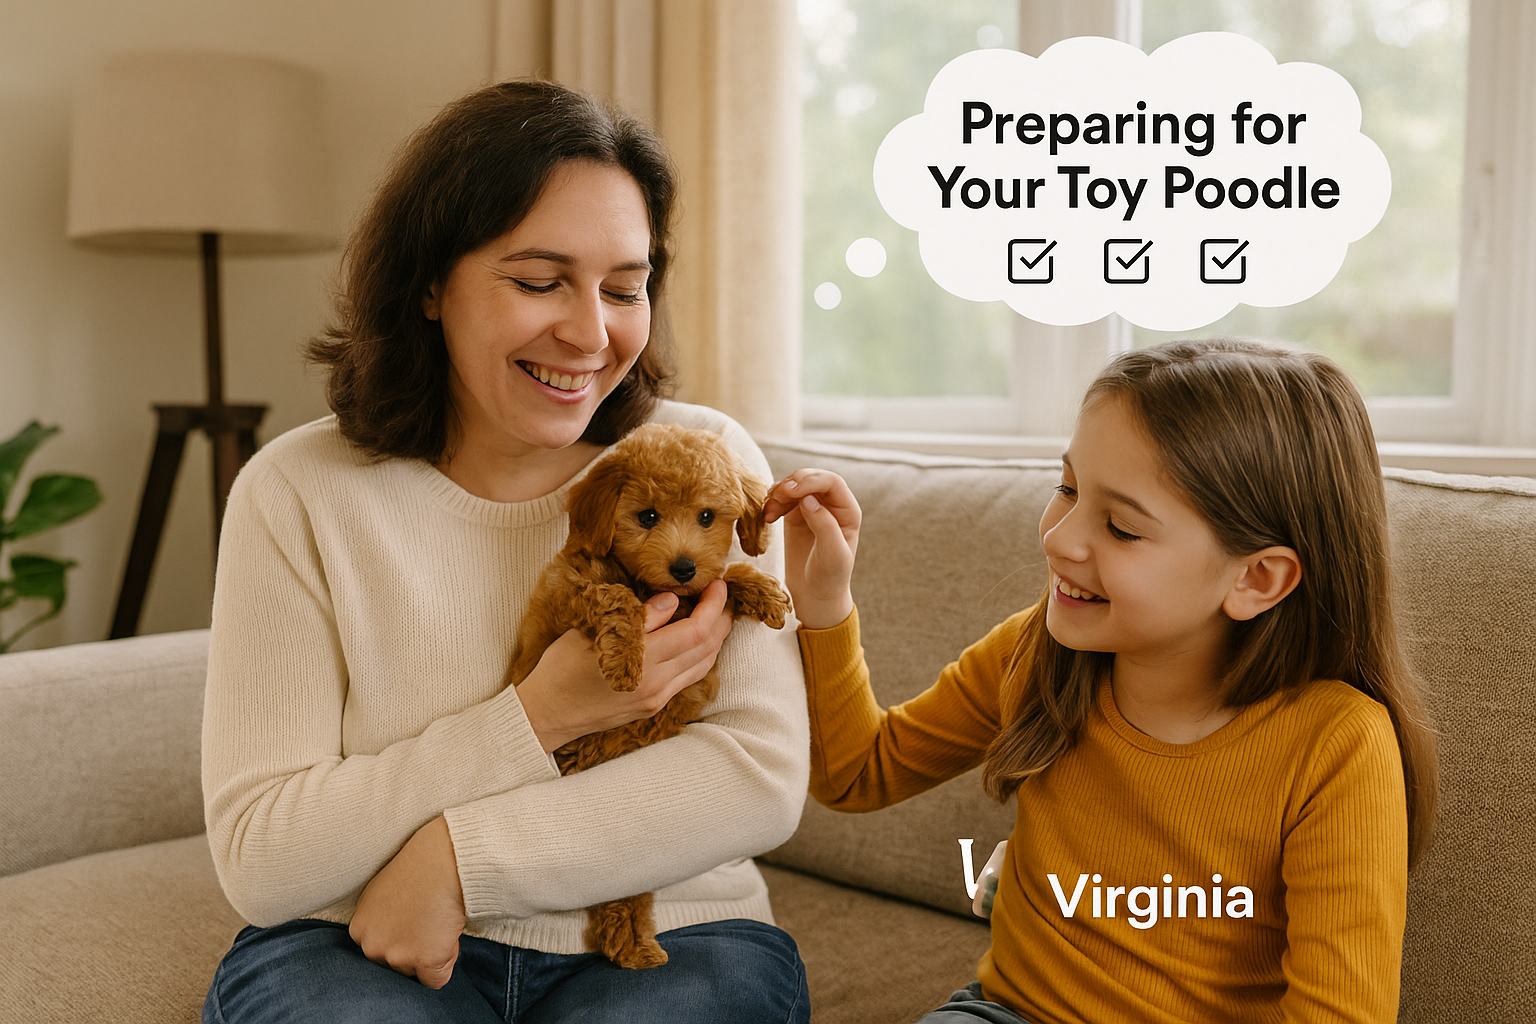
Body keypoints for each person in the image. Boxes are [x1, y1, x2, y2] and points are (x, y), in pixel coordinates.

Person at [200, 80, 810, 1024]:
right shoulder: (297, 491)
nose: (591, 333)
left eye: (625, 289)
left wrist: (457, 860)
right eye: (538, 282)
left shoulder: (704, 463)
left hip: (676, 938)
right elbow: (263, 852)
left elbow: (756, 776)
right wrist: (541, 715)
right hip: (354, 944)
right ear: (430, 284)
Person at [764, 338, 1437, 1024]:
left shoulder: (1338, 745)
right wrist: (823, 602)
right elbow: (857, 773)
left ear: (1256, 578)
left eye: (1120, 528)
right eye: (1067, 489)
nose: (1058, 538)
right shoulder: (1036, 652)